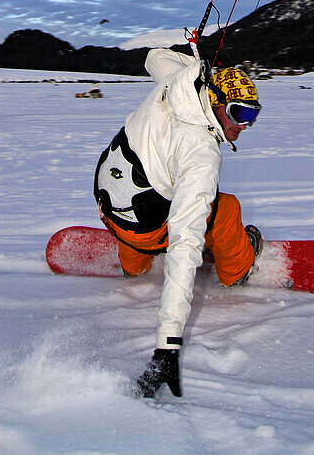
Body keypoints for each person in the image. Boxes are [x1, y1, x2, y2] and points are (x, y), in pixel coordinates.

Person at [93, 47, 263, 398]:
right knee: (225, 208)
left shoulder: (175, 84)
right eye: (238, 112)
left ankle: (134, 264)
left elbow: (154, 56)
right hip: (150, 228)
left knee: (157, 191)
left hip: (110, 208)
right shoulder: (201, 152)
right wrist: (167, 345)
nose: (242, 126)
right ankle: (238, 269)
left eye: (252, 116)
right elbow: (185, 245)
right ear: (215, 102)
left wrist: (196, 66)